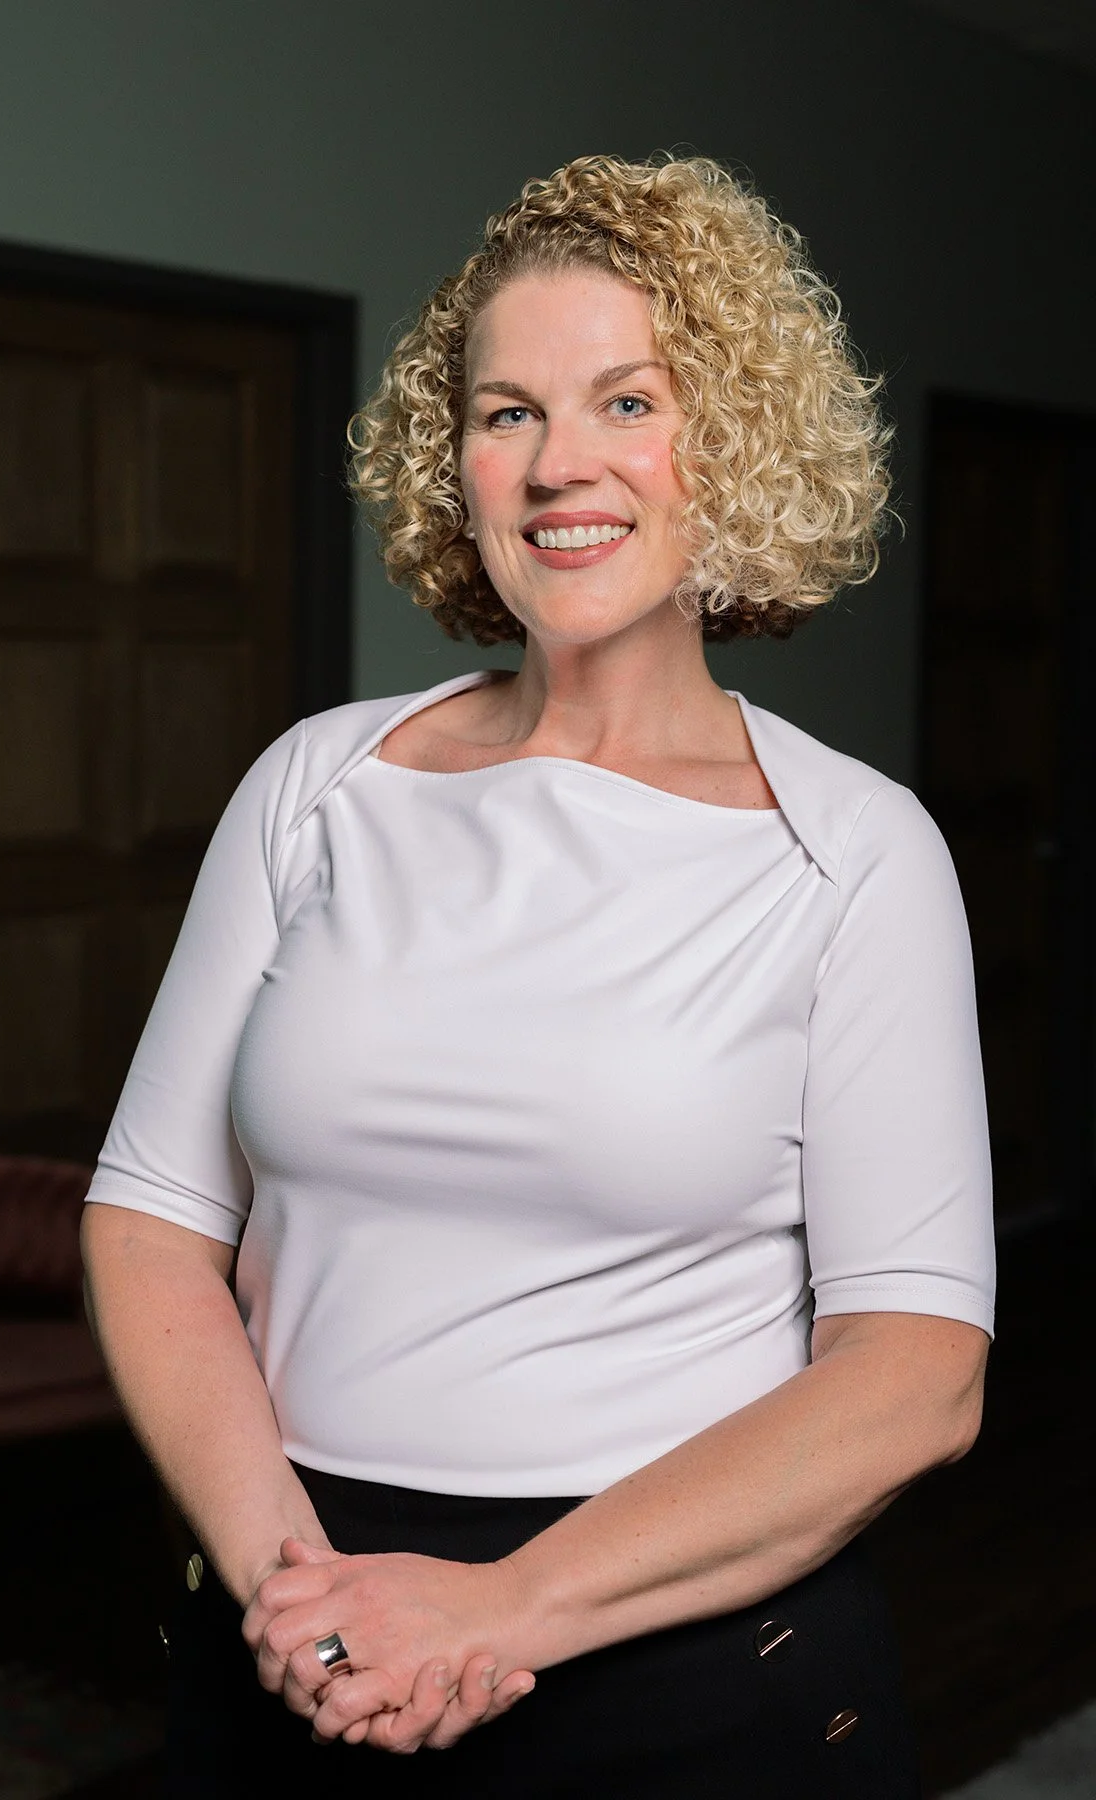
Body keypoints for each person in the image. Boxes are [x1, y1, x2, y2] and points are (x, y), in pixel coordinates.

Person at [81, 153, 995, 1798]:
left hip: (685, 1667)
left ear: (736, 443)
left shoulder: (856, 852)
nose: (562, 463)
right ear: (456, 464)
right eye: (508, 413)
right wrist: (303, 1597)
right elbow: (149, 1222)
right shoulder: (316, 786)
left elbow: (915, 1378)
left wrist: (499, 1610)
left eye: (627, 402)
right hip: (298, 1624)